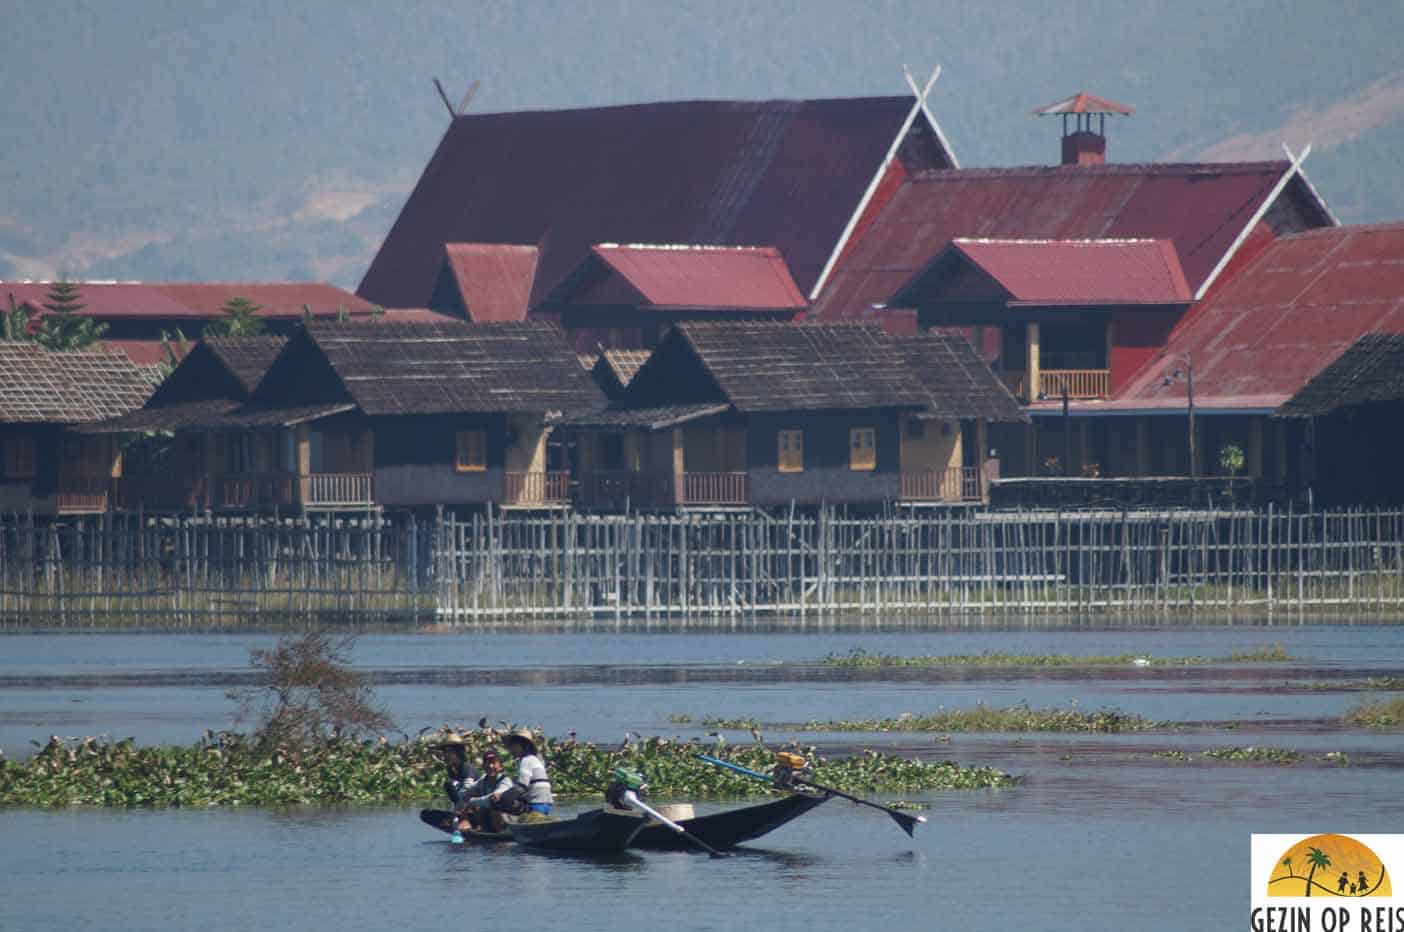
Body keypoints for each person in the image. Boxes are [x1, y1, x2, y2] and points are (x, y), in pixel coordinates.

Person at [501, 727, 553, 816]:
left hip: (535, 804)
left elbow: (522, 786)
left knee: (500, 803)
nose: (511, 749)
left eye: (513, 745)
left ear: (523, 745)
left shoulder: (526, 760)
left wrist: (503, 796)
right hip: (547, 804)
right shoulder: (535, 759)